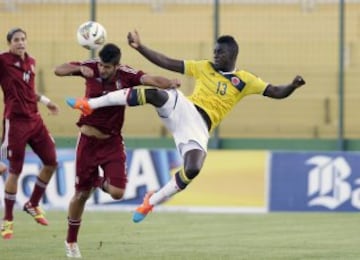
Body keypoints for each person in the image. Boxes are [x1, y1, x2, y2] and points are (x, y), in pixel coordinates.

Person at [66, 30, 306, 224]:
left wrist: (292, 86)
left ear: (232, 54)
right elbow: (169, 63)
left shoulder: (245, 80)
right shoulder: (204, 67)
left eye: (219, 52)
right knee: (155, 95)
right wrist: (141, 47)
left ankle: (151, 201)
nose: (214, 56)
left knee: (193, 168)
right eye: (214, 52)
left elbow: (275, 92)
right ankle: (89, 104)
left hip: (199, 128)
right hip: (185, 109)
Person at [54, 42, 180, 258]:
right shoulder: (91, 67)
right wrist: (77, 69)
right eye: (101, 65)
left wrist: (169, 82)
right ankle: (71, 241)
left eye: (107, 67)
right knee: (81, 195)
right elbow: (59, 70)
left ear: (116, 66)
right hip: (87, 140)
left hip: (111, 141)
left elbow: (149, 79)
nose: (102, 70)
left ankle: (94, 180)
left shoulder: (126, 74)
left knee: (118, 193)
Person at [0, 28, 59, 240]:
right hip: (15, 123)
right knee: (14, 171)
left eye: (23, 39)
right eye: (16, 40)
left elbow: (29, 91)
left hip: (35, 120)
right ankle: (7, 220)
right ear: (9, 43)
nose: (21, 43)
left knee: (52, 162)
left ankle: (33, 204)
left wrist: (46, 101)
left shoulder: (31, 62)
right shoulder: (3, 61)